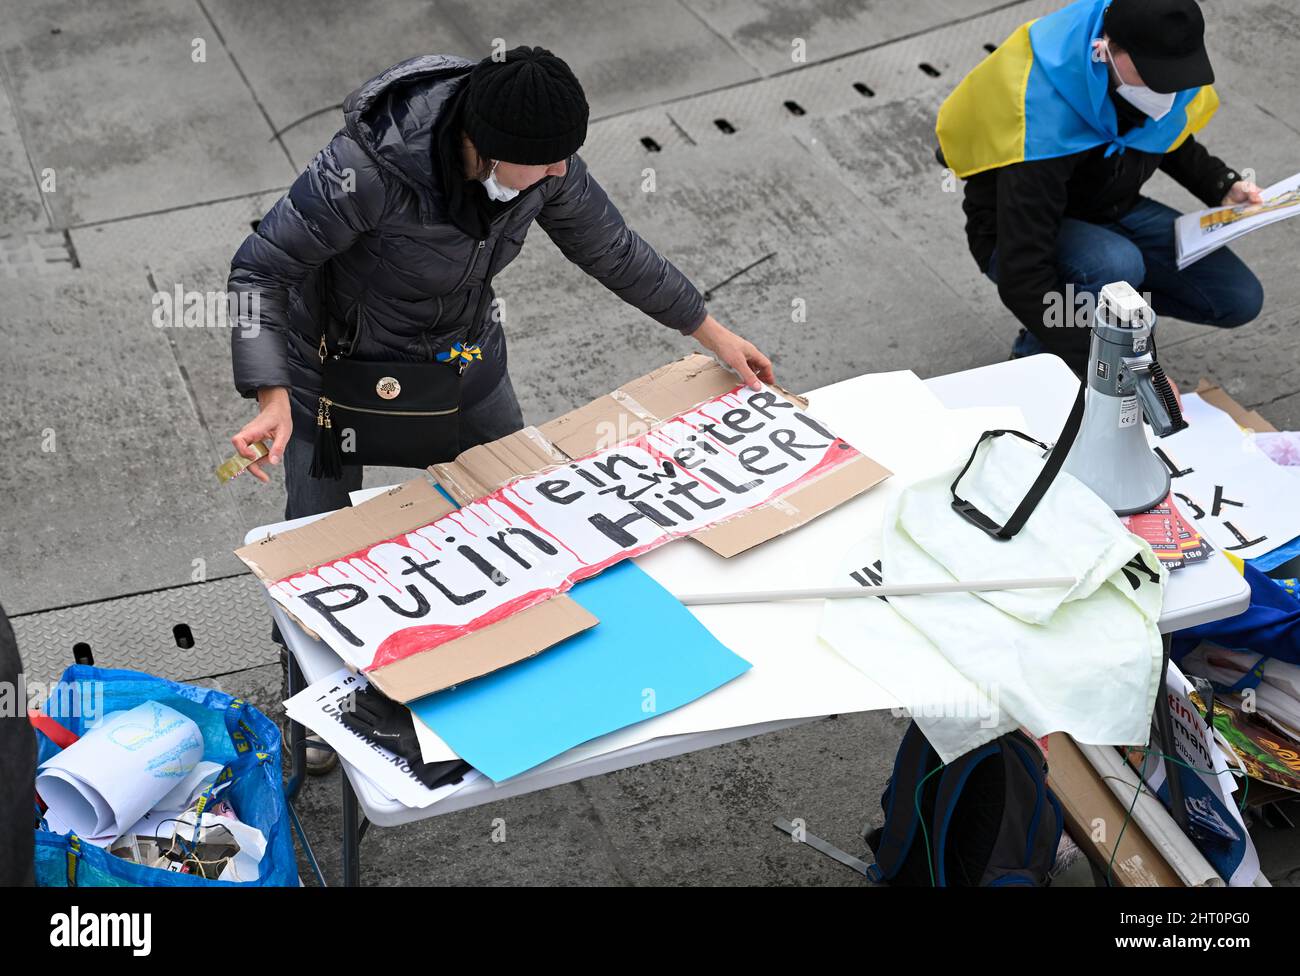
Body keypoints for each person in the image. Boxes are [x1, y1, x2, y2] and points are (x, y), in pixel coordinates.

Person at [227, 47, 775, 772]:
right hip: (336, 376)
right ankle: (320, 704)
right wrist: (271, 396)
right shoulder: (363, 172)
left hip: (461, 360)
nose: (559, 174)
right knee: (321, 546)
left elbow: (613, 248)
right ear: (482, 147)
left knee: (522, 508)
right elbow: (258, 268)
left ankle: (521, 667)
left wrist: (710, 331)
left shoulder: (541, 162)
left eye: (565, 161)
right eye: (545, 164)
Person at [937, 0, 1264, 374]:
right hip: (1015, 233)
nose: (1169, 92)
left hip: (1111, 208)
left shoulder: (1157, 67)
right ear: (1104, 48)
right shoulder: (1040, 114)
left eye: (1177, 74)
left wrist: (1221, 184)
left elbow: (1161, 133)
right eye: (1155, 75)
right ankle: (1036, 361)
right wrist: (1121, 372)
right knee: (1114, 263)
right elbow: (1022, 276)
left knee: (1237, 297)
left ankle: (1104, 310)